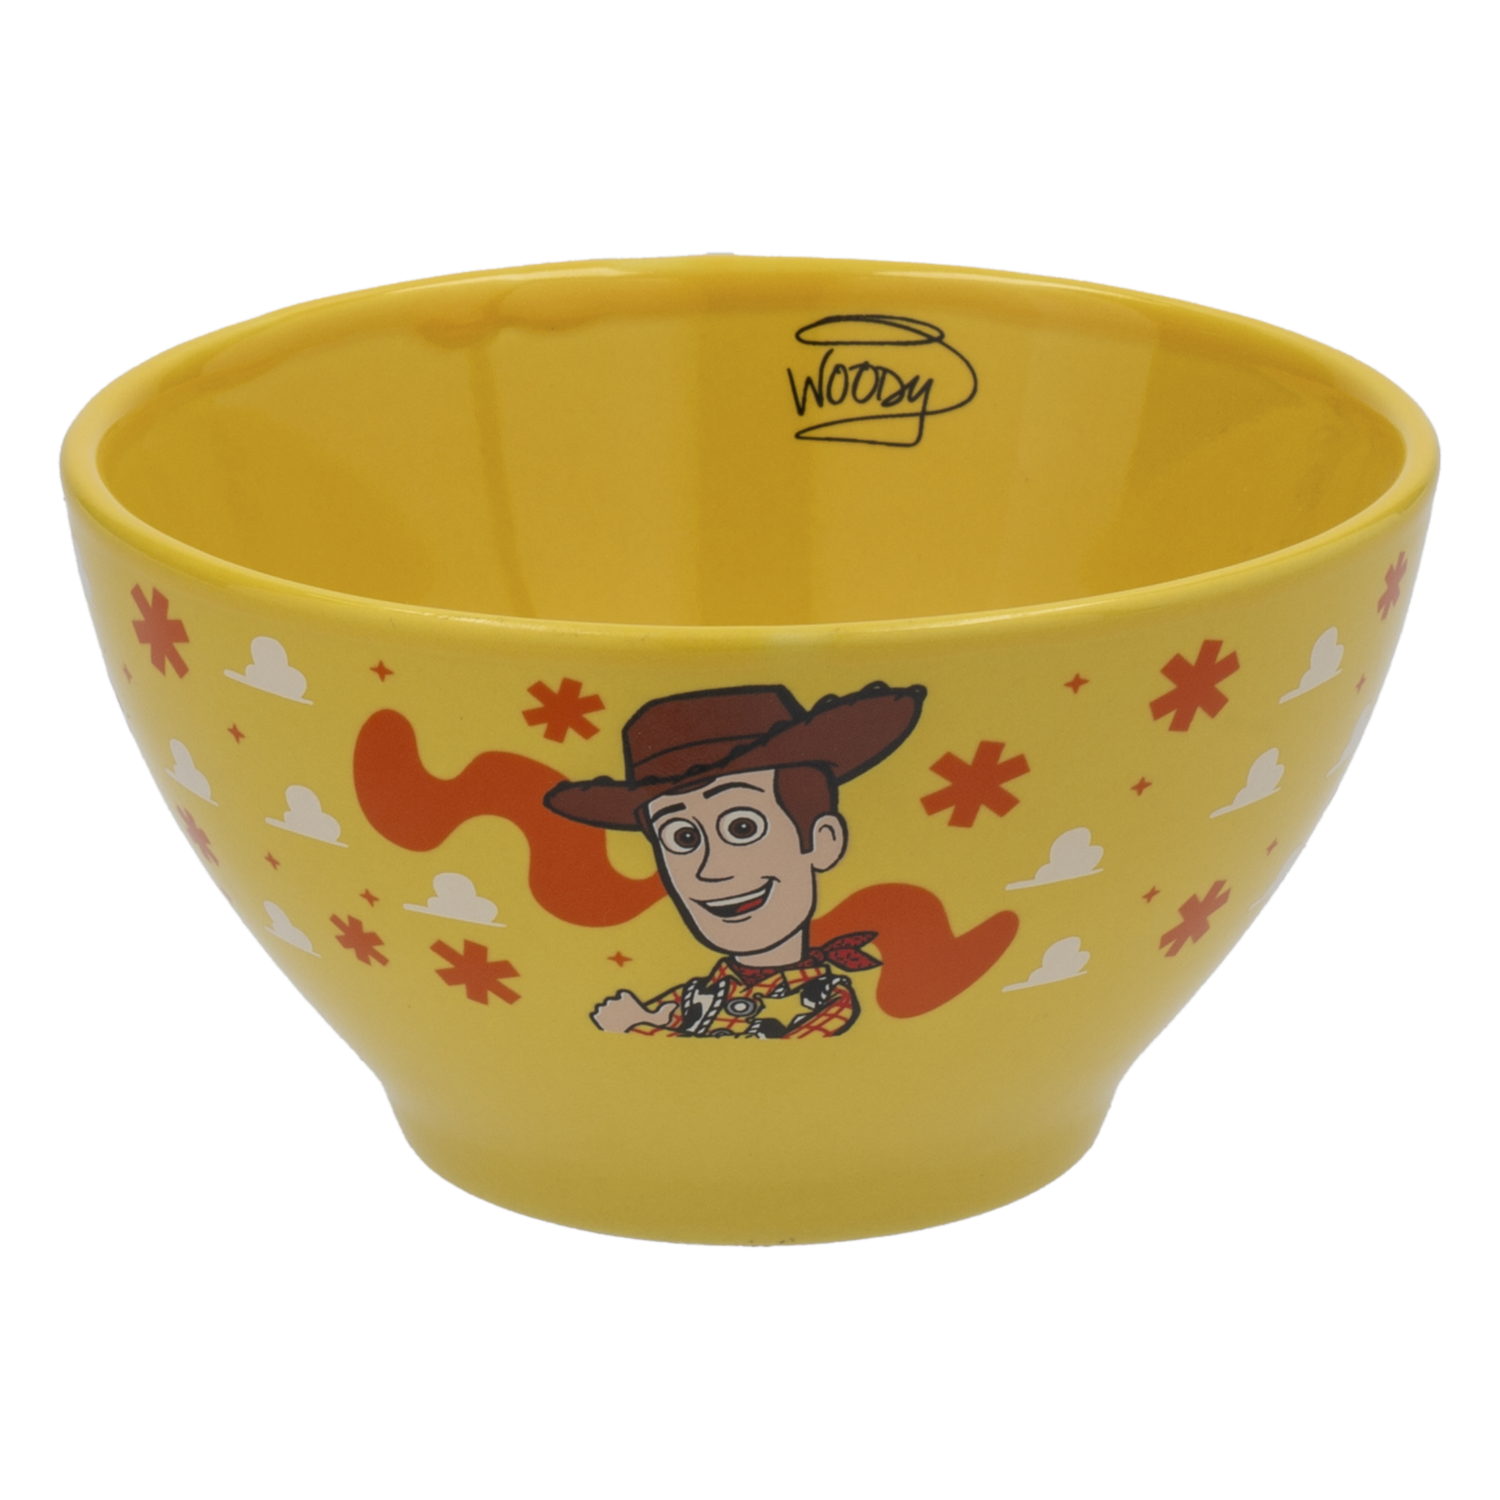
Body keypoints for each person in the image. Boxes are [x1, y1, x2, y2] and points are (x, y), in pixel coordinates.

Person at [544, 681, 925, 1037]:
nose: (712, 870)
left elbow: (792, 1060)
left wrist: (634, 1026)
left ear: (822, 841)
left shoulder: (826, 996)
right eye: (683, 838)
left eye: (743, 827)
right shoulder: (692, 996)